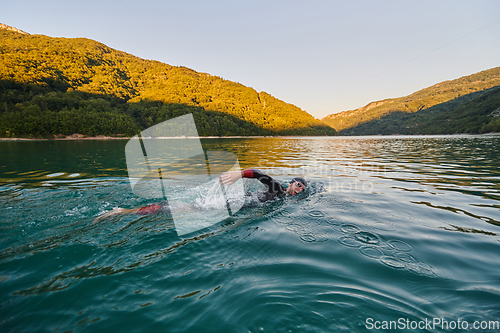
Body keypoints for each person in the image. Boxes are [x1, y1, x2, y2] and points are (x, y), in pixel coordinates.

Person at [94, 169, 307, 222]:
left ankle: (131, 212)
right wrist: (239, 174)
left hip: (238, 206)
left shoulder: (285, 200)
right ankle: (123, 212)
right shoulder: (278, 188)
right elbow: (261, 175)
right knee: (184, 209)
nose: (299, 189)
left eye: (302, 189)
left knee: (188, 210)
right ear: (291, 182)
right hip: (234, 202)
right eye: (298, 184)